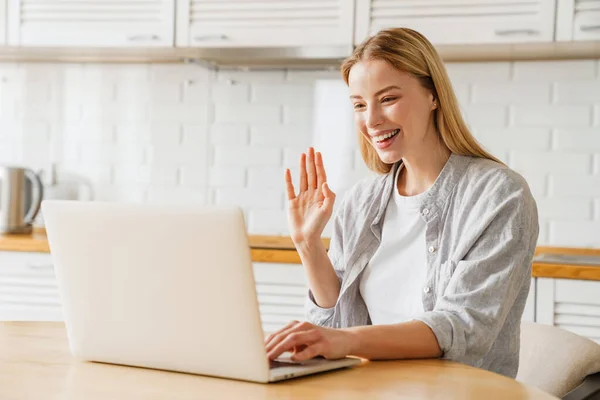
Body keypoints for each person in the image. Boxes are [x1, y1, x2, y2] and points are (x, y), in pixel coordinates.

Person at [264, 27, 539, 379]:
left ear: (433, 95)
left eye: (388, 98)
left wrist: (343, 340)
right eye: (359, 105)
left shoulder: (499, 195)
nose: (371, 119)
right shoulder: (361, 202)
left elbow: (462, 326)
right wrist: (307, 244)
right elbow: (339, 323)